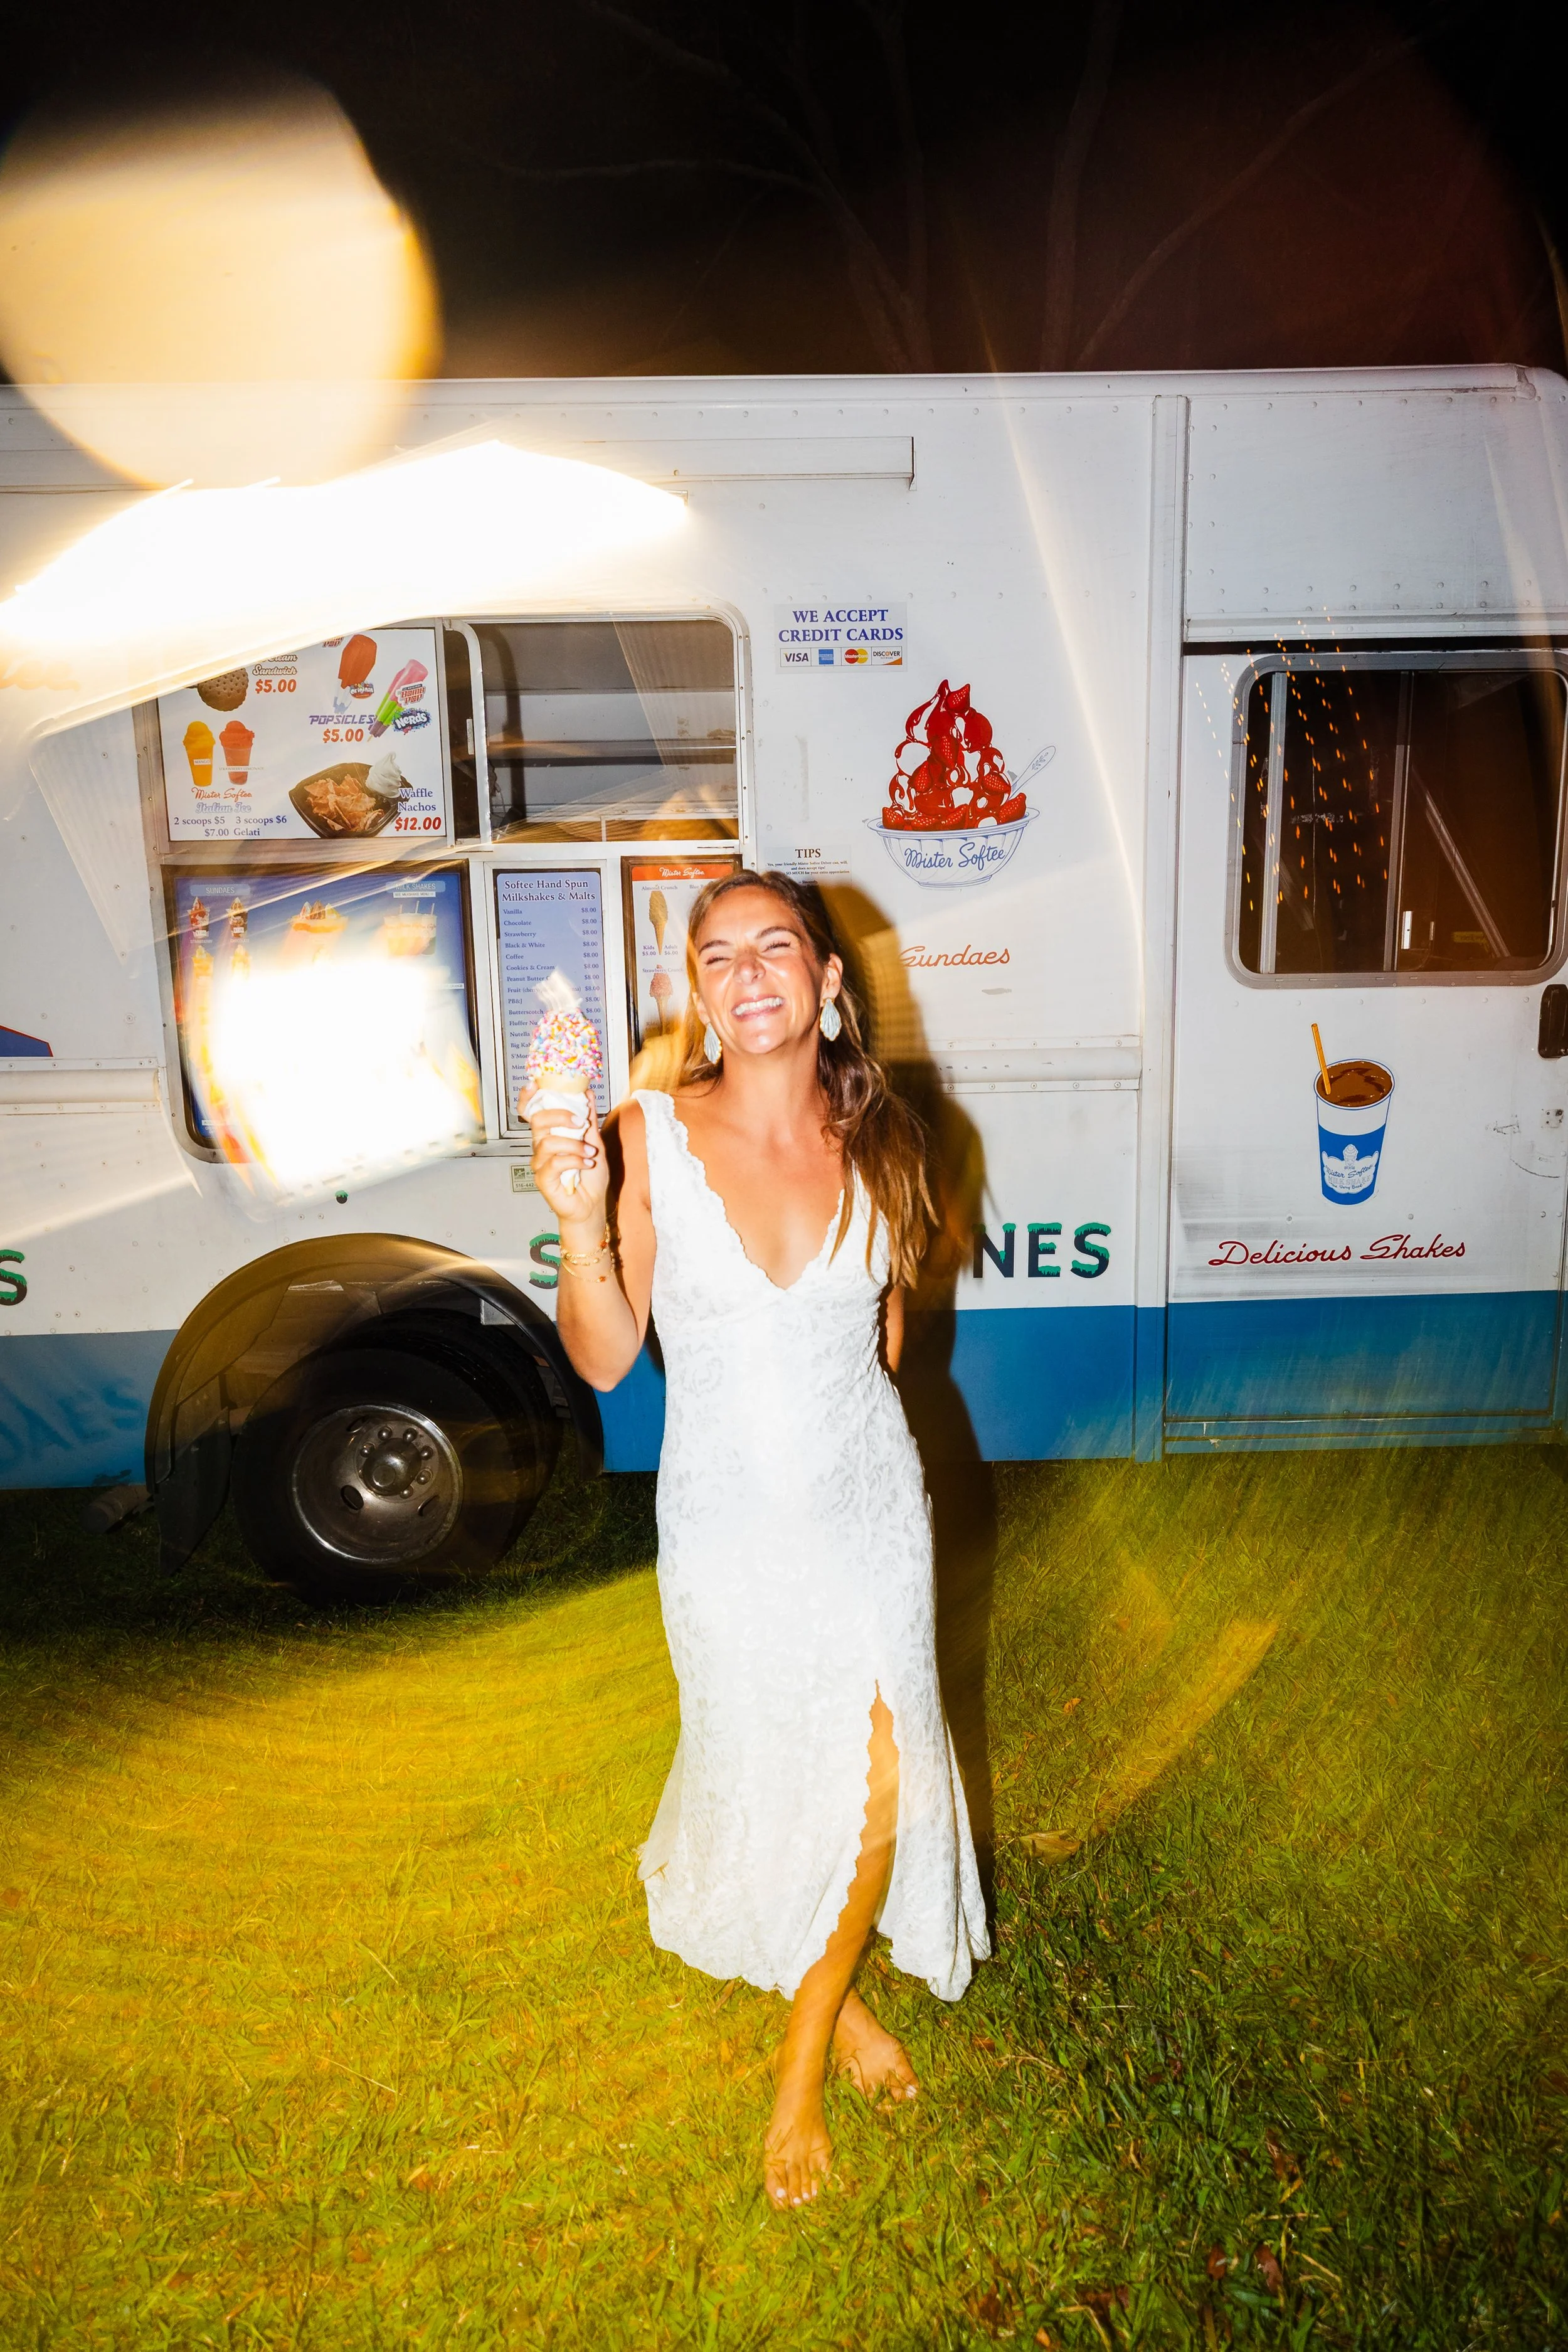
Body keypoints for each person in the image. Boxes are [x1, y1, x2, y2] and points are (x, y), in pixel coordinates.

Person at [527, 871, 988, 2210]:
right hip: (724, 1515)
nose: (745, 972)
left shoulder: (894, 1140)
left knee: (884, 1761)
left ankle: (799, 2070)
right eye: (714, 953)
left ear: (826, 979)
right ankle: (836, 2000)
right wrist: (576, 1223)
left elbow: (889, 1340)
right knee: (769, 1757)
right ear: (696, 991)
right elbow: (608, 1361)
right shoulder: (645, 1136)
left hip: (864, 1505)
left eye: (773, 946)